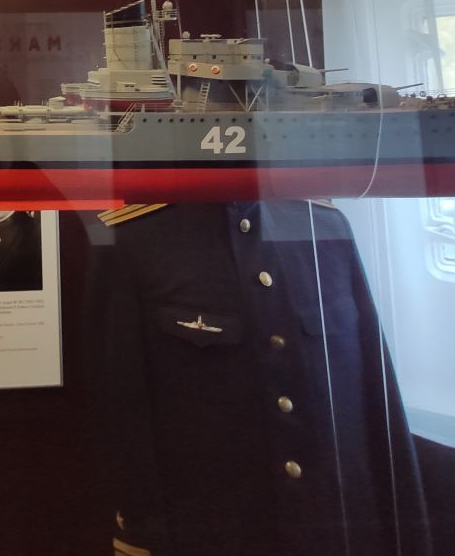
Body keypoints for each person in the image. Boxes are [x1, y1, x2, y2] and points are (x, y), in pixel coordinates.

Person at [91, 200, 431, 556]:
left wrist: (406, 529)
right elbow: (122, 410)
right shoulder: (133, 240)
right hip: (217, 533)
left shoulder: (324, 227)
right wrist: (143, 535)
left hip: (338, 530)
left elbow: (377, 395)